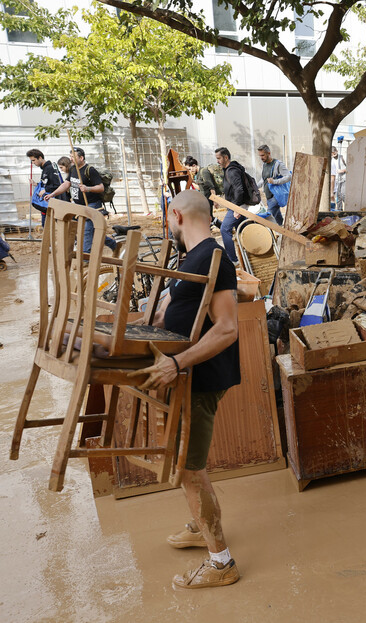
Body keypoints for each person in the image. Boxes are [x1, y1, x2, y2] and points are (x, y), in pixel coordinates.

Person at [130, 190, 241, 589]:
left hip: (199, 379)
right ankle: (200, 526)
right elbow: (170, 311)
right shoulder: (193, 259)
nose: (167, 226)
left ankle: (221, 563)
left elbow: (227, 329)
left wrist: (176, 363)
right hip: (186, 375)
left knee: (190, 470)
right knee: (190, 463)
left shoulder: (215, 258)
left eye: (166, 219)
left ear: (175, 214)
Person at [58, 147, 116, 253]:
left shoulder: (90, 170)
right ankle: (114, 245)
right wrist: (53, 194)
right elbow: (66, 184)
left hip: (92, 205)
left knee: (86, 231)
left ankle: (85, 259)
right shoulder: (73, 169)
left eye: (73, 157)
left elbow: (101, 187)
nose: (70, 159)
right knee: (92, 233)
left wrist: (87, 188)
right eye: (70, 156)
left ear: (81, 157)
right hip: (79, 206)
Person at [215, 147, 250, 264]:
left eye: (219, 158)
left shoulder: (232, 171)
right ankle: (248, 258)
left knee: (225, 229)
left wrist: (237, 208)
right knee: (242, 231)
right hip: (235, 205)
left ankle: (233, 260)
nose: (217, 161)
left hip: (237, 206)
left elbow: (239, 190)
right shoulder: (228, 170)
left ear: (226, 157)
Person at [28, 148, 66, 227]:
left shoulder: (50, 168)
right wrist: (36, 184)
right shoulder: (45, 169)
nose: (33, 163)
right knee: (45, 226)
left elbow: (58, 184)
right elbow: (48, 183)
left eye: (34, 160)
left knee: (61, 225)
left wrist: (46, 190)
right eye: (31, 161)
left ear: (40, 158)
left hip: (55, 202)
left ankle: (72, 239)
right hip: (46, 202)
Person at [258, 145, 291, 225]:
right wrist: (255, 187)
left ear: (269, 153)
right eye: (260, 155)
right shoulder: (264, 165)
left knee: (268, 218)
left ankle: (268, 235)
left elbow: (289, 176)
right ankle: (282, 231)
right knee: (277, 216)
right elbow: (263, 179)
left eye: (263, 155)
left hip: (275, 196)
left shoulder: (278, 164)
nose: (261, 158)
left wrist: (275, 181)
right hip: (269, 197)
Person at [330, 146, 346, 211]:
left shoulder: (342, 157)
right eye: (332, 154)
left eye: (335, 153)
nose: (334, 155)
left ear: (337, 151)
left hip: (344, 179)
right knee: (338, 197)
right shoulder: (332, 160)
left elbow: (351, 167)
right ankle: (340, 210)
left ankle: (348, 209)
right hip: (338, 181)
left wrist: (342, 170)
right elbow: (333, 174)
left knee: (343, 195)